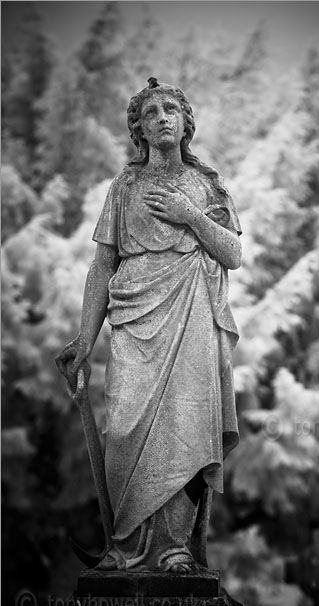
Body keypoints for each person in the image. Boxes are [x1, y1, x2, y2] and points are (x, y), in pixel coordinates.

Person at [56, 78, 242, 574]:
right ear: (138, 128)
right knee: (125, 426)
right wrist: (85, 339)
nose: (162, 117)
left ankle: (175, 549)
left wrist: (191, 217)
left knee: (185, 428)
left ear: (185, 122)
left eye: (171, 109)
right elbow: (102, 265)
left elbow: (233, 253)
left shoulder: (207, 185)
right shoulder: (125, 186)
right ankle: (124, 546)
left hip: (191, 316)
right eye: (151, 112)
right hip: (135, 320)